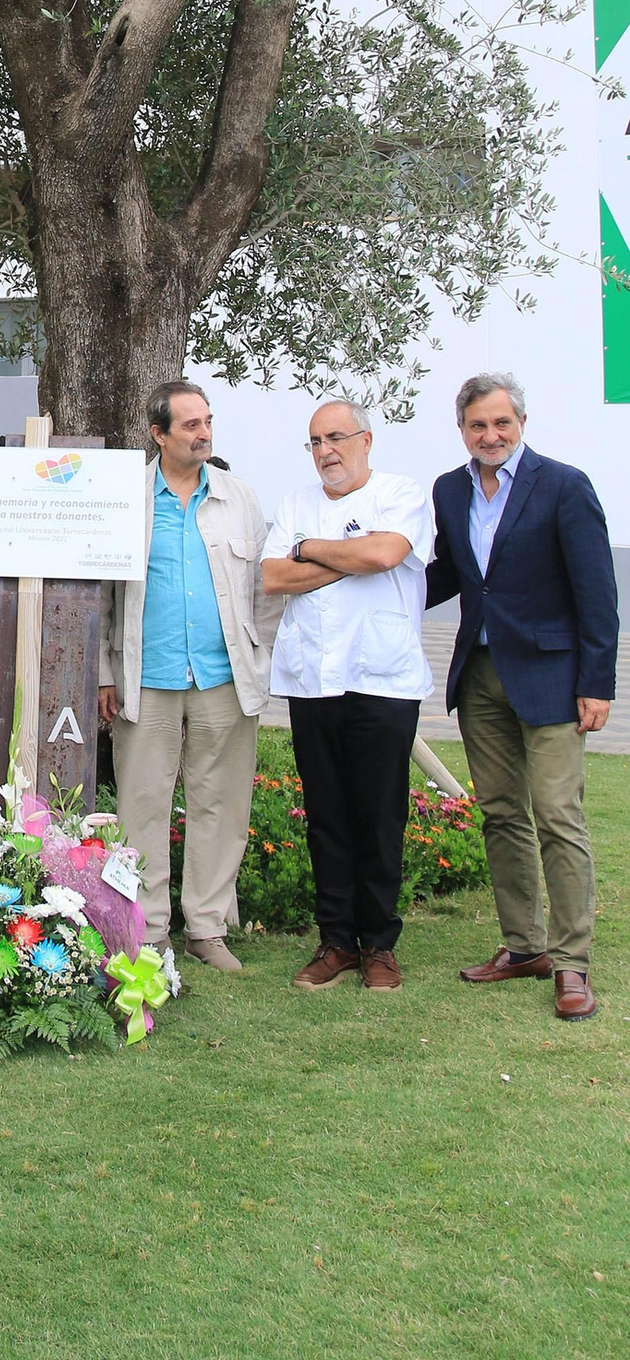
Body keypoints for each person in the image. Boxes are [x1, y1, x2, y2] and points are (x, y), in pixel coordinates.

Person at [425, 374, 616, 1022]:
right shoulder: (449, 490)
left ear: (522, 423)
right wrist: (365, 588)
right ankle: (525, 947)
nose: (491, 436)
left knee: (559, 816)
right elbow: (450, 575)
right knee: (501, 814)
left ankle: (572, 965)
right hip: (478, 674)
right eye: (478, 426)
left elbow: (597, 594)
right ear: (462, 431)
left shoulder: (565, 486)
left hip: (554, 678)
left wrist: (597, 683)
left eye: (501, 423)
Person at [98, 381, 279, 970]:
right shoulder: (126, 498)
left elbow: (263, 590)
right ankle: (148, 929)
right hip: (146, 678)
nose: (203, 434)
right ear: (159, 434)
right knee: (142, 806)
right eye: (190, 425)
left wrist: (259, 656)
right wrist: (104, 672)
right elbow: (100, 595)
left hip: (223, 678)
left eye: (207, 422)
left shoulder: (239, 497)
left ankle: (206, 927)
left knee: (221, 806)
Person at [262, 397, 434, 992]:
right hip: (313, 681)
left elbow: (387, 553)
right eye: (314, 441)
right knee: (326, 816)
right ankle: (335, 941)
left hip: (382, 679)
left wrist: (310, 549)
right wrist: (350, 561)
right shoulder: (294, 503)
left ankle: (380, 945)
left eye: (335, 437)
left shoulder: (401, 493)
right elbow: (272, 577)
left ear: (366, 439)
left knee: (380, 814)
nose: (325, 451)